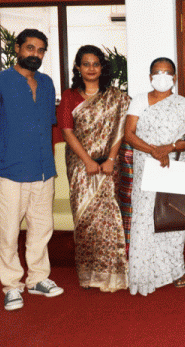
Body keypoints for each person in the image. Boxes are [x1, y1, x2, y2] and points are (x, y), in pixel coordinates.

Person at [0, 28, 64, 311]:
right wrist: (6, 150)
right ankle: (12, 285)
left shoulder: (47, 83)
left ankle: (38, 278)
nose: (35, 54)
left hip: (43, 170)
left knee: (42, 228)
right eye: (30, 48)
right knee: (9, 230)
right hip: (11, 171)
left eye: (40, 50)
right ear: (17, 48)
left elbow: (47, 124)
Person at [123, 57, 185, 296]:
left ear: (174, 78)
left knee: (173, 216)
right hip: (146, 165)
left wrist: (169, 148)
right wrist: (154, 150)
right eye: (158, 72)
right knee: (145, 218)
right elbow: (129, 134)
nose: (162, 77)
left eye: (167, 73)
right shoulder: (139, 101)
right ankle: (143, 273)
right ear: (150, 77)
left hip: (173, 165)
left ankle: (176, 270)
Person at [58, 45, 130, 292]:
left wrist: (110, 159)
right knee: (85, 218)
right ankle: (89, 273)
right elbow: (67, 131)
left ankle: (111, 273)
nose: (91, 68)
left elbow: (120, 130)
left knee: (110, 218)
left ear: (102, 67)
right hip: (80, 164)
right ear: (78, 67)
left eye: (96, 64)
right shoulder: (69, 96)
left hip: (109, 164)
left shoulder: (116, 97)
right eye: (86, 64)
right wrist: (87, 161)